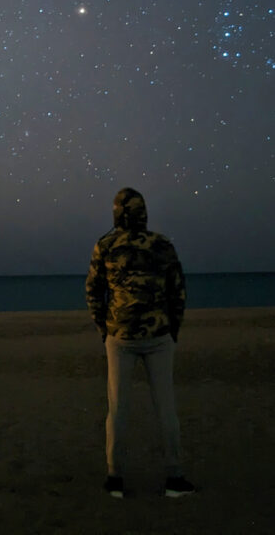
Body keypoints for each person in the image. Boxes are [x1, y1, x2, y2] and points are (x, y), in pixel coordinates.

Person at [85, 186, 196, 498]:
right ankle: (175, 478)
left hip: (120, 338)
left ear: (117, 214)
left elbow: (93, 291)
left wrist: (104, 329)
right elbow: (178, 291)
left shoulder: (105, 245)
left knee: (118, 410)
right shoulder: (162, 244)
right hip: (158, 337)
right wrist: (173, 329)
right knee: (166, 409)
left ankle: (114, 478)